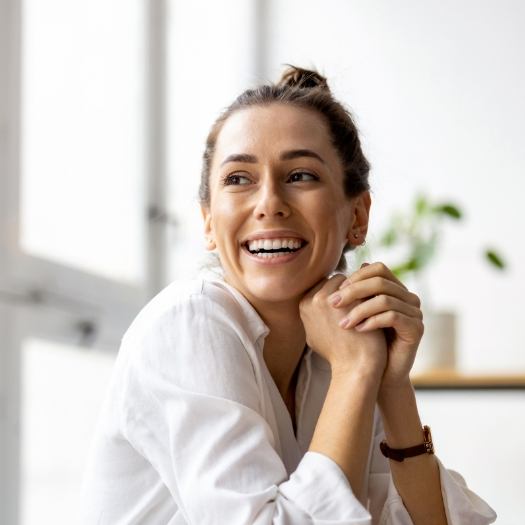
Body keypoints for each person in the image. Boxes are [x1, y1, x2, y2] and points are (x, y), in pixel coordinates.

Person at [80, 66, 497, 524]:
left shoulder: (337, 349)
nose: (269, 202)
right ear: (207, 222)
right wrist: (357, 371)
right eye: (239, 178)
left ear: (358, 215)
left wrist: (390, 387)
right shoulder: (190, 323)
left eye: (300, 175)